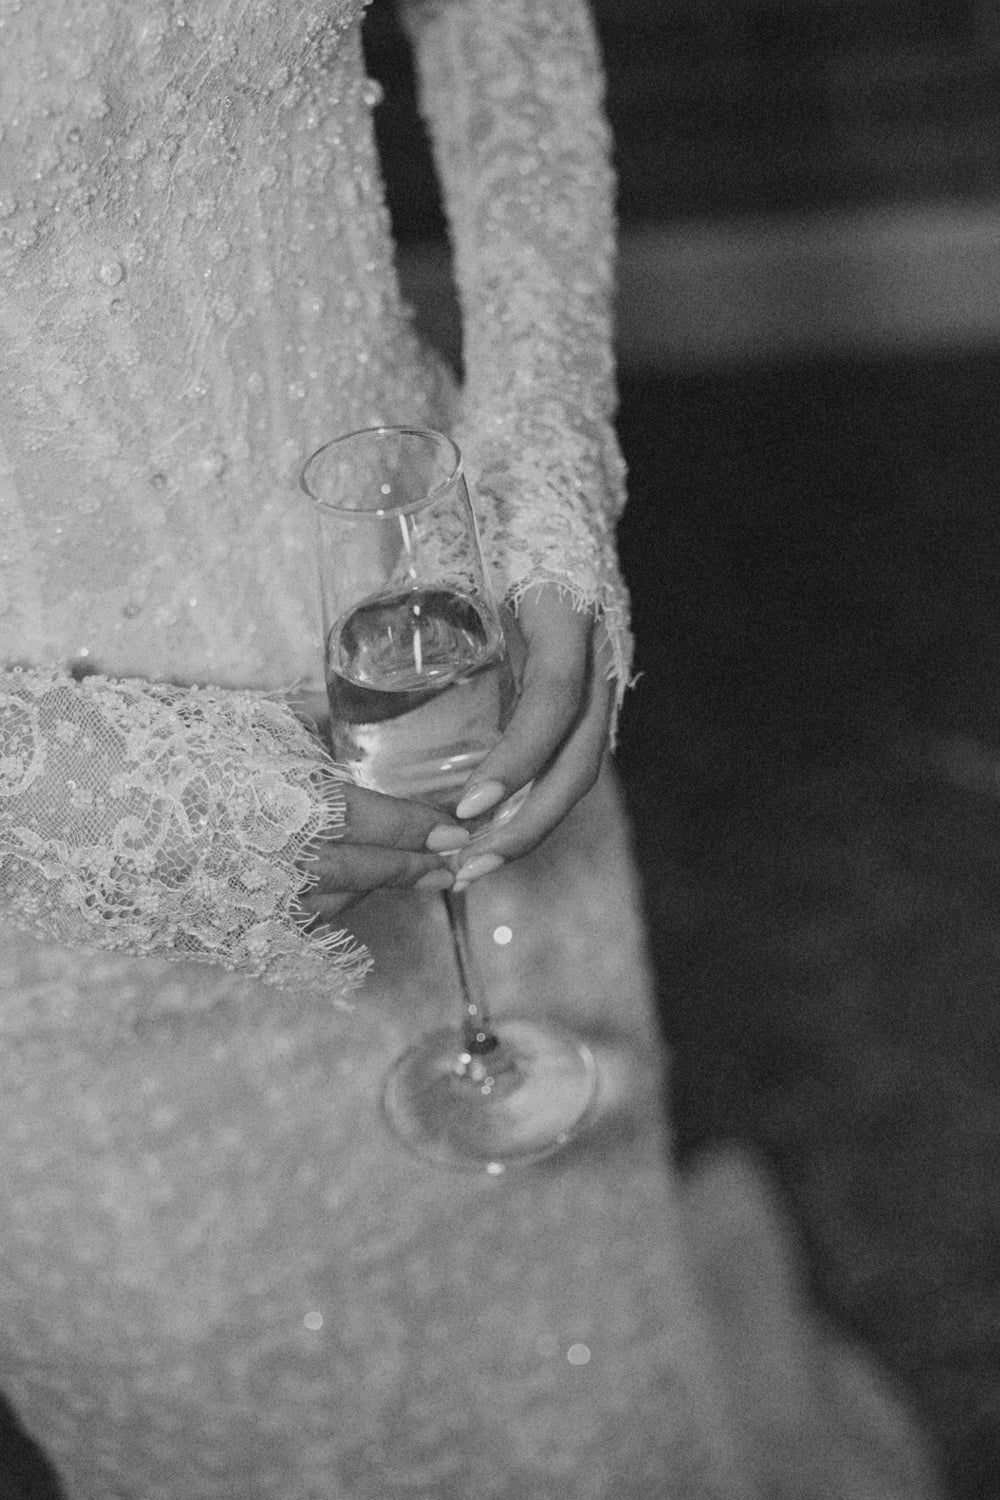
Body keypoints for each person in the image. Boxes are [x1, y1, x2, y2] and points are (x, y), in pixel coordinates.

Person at [0, 1, 938, 1496]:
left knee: (574, 1322)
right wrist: (99, 806)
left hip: (440, 636)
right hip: (68, 949)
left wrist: (550, 476)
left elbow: (506, 27)